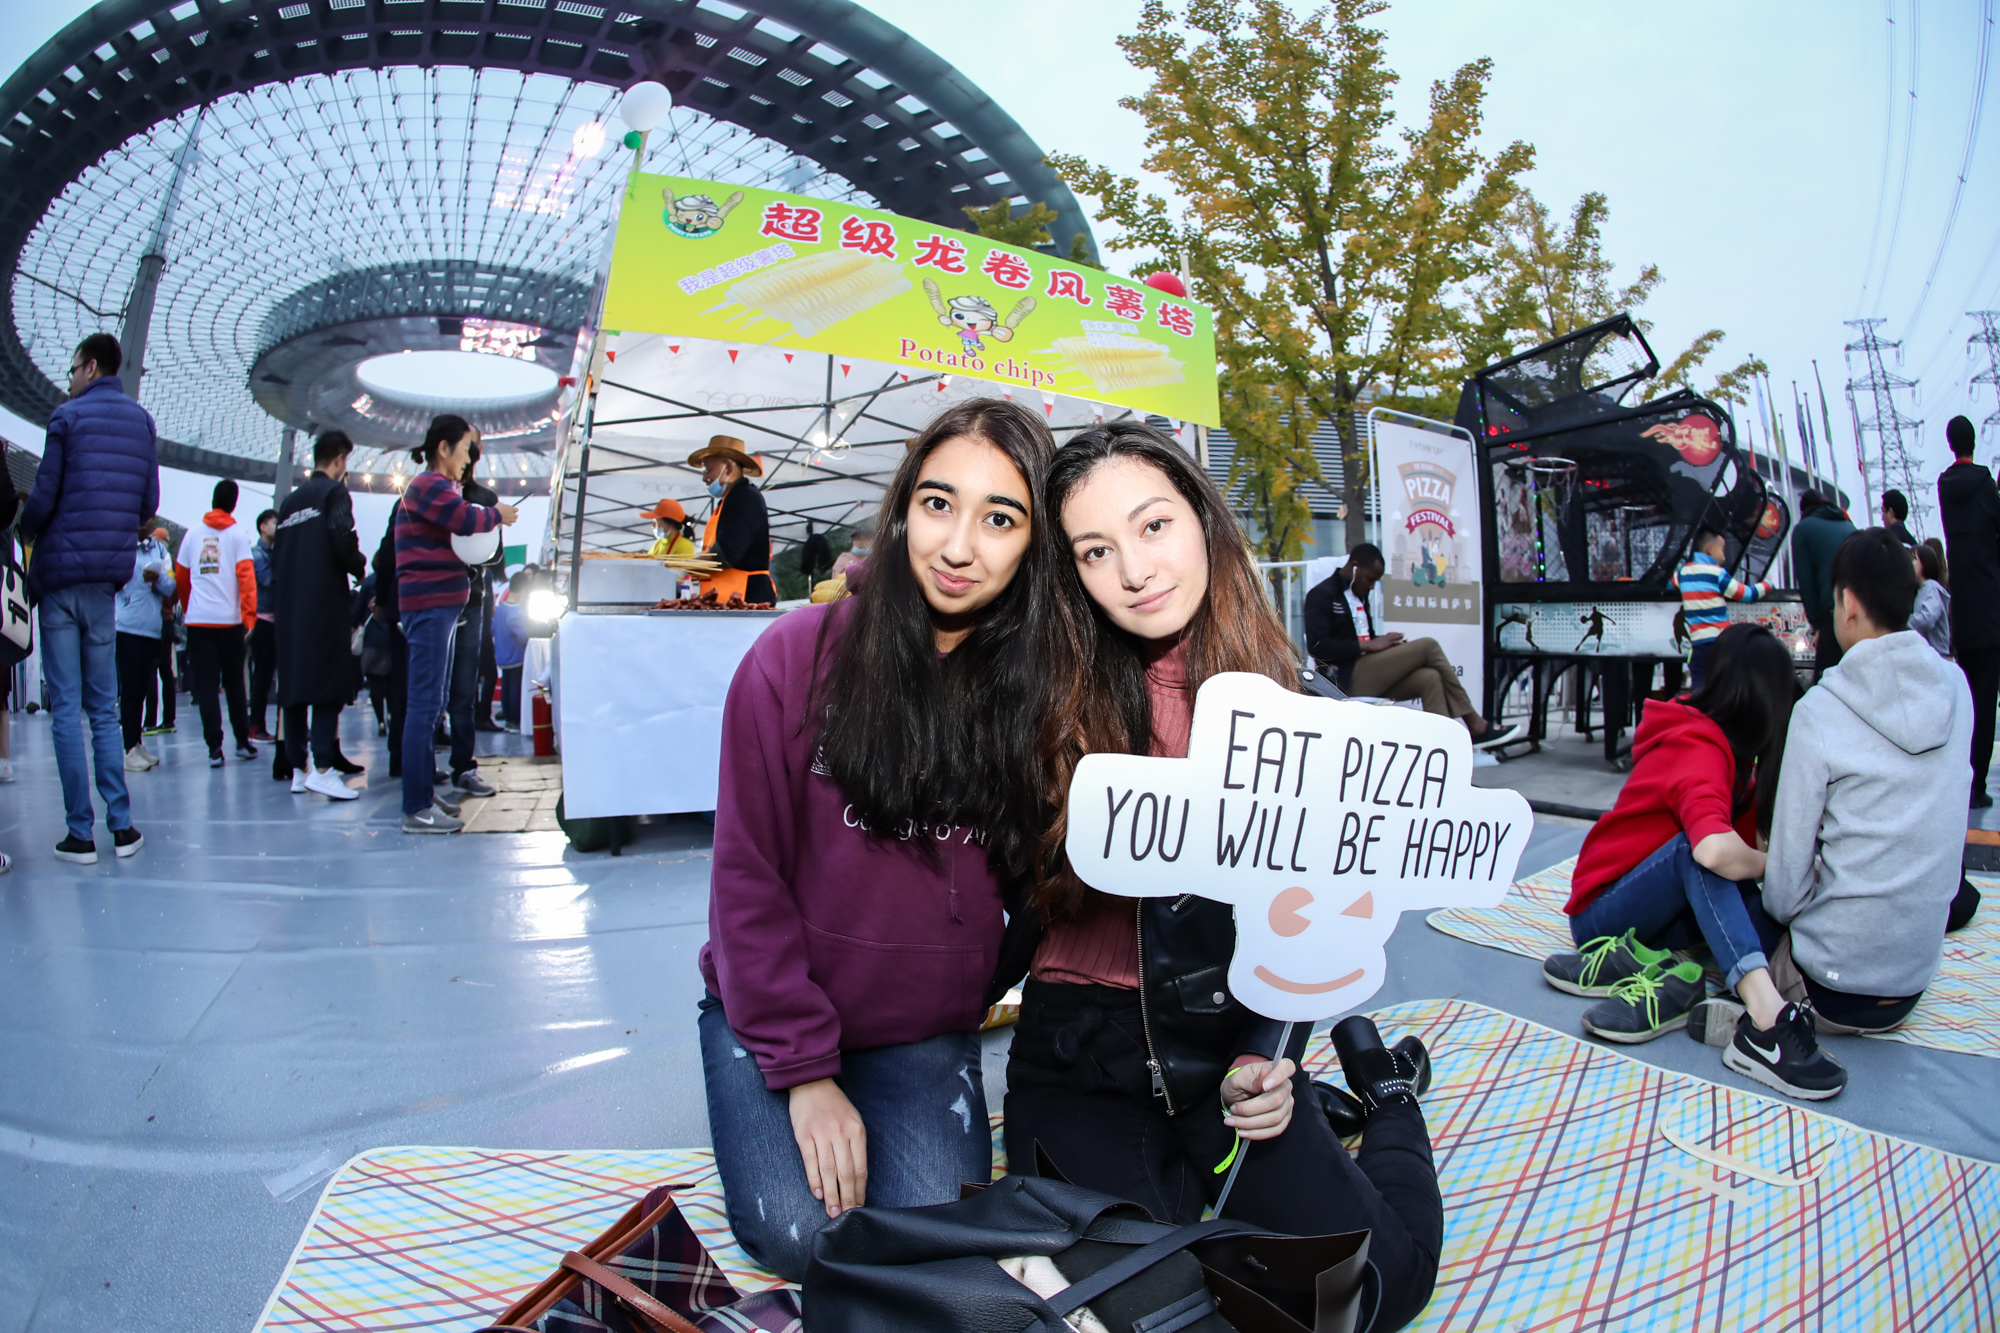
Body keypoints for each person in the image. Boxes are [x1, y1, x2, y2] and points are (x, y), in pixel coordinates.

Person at [1002, 421, 1444, 1333]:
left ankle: (1387, 1093)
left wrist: (1270, 1052)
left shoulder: (1299, 706)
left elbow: (1320, 913)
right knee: (1159, 1306)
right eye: (1096, 549)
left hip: (1220, 1039)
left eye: (1154, 525)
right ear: (1071, 571)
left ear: (1203, 520)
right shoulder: (1039, 691)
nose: (1134, 569)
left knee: (1367, 1295)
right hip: (1077, 1047)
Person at [698, 398, 1059, 1283]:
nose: (958, 544)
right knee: (803, 1234)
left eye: (999, 517)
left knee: (935, 1230)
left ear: (1033, 543)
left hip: (921, 1033)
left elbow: (1042, 891)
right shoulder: (791, 657)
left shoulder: (1036, 698)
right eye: (938, 504)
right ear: (902, 508)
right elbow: (746, 879)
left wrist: (975, 978)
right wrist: (806, 1073)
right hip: (771, 1017)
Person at [1686, 530, 1970, 1066]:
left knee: (1702, 867)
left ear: (1849, 605)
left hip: (1831, 990)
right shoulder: (1958, 688)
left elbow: (1785, 895)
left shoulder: (1821, 710)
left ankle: (1762, 1017)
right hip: (1909, 987)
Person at [1544, 623, 1847, 1098]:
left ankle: (1655, 968)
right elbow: (1709, 850)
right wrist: (1781, 865)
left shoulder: (1736, 754)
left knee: (1742, 886)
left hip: (1659, 910)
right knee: (1702, 854)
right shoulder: (1699, 745)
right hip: (1601, 914)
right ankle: (1765, 1023)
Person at [17, 332, 155, 864]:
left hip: (57, 584)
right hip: (104, 587)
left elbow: (45, 493)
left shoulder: (67, 417)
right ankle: (121, 827)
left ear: (90, 366)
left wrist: (27, 531)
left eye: (73, 368)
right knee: (105, 708)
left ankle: (81, 834)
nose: (70, 377)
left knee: (66, 709)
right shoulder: (142, 423)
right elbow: (149, 502)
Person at [395, 414, 514, 832]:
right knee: (425, 706)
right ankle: (415, 807)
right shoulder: (428, 485)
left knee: (433, 702)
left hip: (440, 607)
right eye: (465, 450)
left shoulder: (437, 488)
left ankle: (424, 796)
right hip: (430, 607)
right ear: (443, 448)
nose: (469, 459)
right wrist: (498, 513)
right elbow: (467, 520)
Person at [1303, 544, 1520, 747]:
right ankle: (1474, 723)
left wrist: (1385, 643)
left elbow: (1360, 637)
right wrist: (1369, 646)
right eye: (1370, 579)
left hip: (1369, 672)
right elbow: (1317, 646)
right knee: (1428, 646)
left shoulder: (1360, 596)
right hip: (1341, 679)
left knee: (1430, 678)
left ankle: (1446, 754)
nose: (1371, 586)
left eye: (1375, 582)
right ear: (1355, 567)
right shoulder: (1321, 595)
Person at [273, 430, 366, 801]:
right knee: (328, 680)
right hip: (323, 601)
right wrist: (359, 567)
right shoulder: (334, 493)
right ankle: (325, 768)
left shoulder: (290, 501)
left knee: (294, 685)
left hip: (289, 604)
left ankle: (299, 769)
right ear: (341, 459)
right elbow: (342, 537)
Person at [175, 478, 259, 768]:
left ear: (213, 500)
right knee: (235, 683)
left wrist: (189, 610)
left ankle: (214, 749)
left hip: (199, 622)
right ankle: (242, 742)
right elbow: (246, 578)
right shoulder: (238, 536)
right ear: (234, 503)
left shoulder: (192, 535)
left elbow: (182, 577)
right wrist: (249, 616)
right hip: (230, 623)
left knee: (207, 687)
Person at [1938, 415, 2000, 807]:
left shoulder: (1945, 487)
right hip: (1990, 605)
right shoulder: (1985, 483)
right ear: (1974, 440)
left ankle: (1961, 778)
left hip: (1961, 606)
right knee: (1987, 697)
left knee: (1967, 699)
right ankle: (1978, 786)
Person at [443, 438, 505, 794]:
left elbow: (494, 558)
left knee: (463, 688)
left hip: (472, 599)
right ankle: (415, 769)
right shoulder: (433, 495)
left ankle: (463, 766)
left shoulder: (482, 498)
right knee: (429, 691)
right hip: (436, 600)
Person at [1674, 524, 1771, 689]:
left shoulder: (1682, 574)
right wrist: (1768, 584)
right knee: (1726, 688)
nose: (1724, 557)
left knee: (1700, 690)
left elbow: (1671, 584)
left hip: (1698, 645)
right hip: (1722, 642)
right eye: (1722, 549)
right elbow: (1747, 594)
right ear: (1710, 549)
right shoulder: (1717, 573)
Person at [114, 521, 176, 772]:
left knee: (142, 687)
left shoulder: (160, 551)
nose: (144, 523)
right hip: (126, 625)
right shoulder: (120, 545)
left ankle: (137, 742)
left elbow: (171, 586)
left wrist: (158, 577)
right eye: (139, 519)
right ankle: (128, 748)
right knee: (130, 689)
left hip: (152, 627)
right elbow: (113, 580)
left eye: (148, 519)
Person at [688, 435, 775, 604]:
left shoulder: (745, 497)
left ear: (728, 467)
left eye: (708, 469)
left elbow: (725, 555)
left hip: (745, 599)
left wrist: (685, 567)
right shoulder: (728, 500)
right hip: (725, 598)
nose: (704, 477)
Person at [1790, 490, 1857, 677]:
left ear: (1803, 510)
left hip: (1834, 614)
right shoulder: (1849, 526)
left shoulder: (1803, 529)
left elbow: (1806, 582)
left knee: (1827, 683)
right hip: (1863, 614)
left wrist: (1817, 624)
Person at [142, 526, 179, 737]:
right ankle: (168, 719)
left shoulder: (156, 564)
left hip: (157, 620)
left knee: (151, 671)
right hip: (168, 620)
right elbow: (175, 594)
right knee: (166, 671)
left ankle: (150, 721)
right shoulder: (171, 564)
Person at [248, 507, 278, 740]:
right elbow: (268, 580)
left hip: (274, 620)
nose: (277, 527)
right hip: (263, 620)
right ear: (262, 526)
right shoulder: (257, 554)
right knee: (263, 676)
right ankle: (255, 724)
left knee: (269, 675)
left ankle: (269, 725)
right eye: (274, 523)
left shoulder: (272, 552)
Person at [492, 570, 529, 730]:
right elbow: (523, 634)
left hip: (502, 656)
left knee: (507, 687)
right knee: (515, 689)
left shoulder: (500, 609)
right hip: (515, 656)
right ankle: (514, 719)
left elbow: (493, 630)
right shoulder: (515, 612)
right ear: (523, 590)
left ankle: (508, 717)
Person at [1912, 542, 1952, 658]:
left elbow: (1927, 618)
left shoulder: (1931, 588)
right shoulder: (1921, 590)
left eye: (1914, 559)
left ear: (1925, 563)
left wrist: (1906, 623)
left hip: (1938, 655)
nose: (1910, 564)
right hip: (1930, 654)